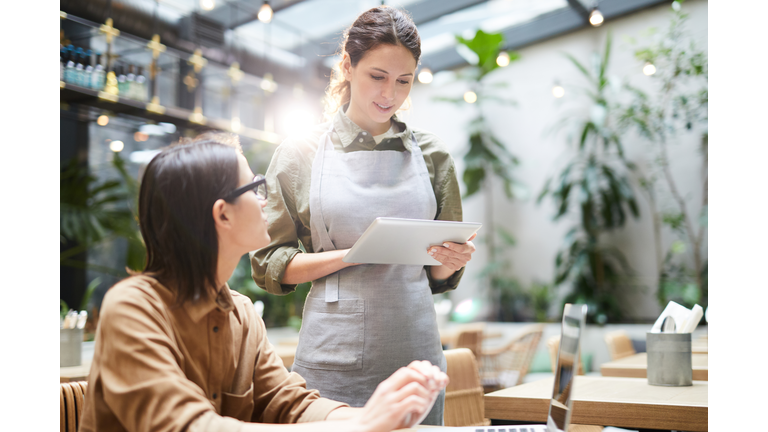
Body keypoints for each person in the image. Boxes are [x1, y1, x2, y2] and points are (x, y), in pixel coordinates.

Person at [79, 133, 448, 432]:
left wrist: (382, 413)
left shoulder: (240, 312)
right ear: (222, 214)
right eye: (254, 188)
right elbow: (189, 426)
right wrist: (362, 424)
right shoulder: (133, 308)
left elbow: (288, 404)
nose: (264, 199)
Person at [250, 6, 476, 425]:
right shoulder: (300, 153)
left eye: (403, 81)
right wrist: (354, 255)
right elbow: (268, 265)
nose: (390, 94)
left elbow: (436, 275)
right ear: (347, 66)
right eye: (378, 76)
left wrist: (450, 262)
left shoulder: (433, 155)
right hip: (331, 360)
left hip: (417, 359)